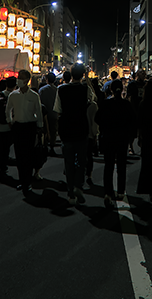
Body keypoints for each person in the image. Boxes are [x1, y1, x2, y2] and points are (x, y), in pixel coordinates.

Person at [54, 63, 97, 205]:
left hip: (66, 129)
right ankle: (79, 185)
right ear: (83, 74)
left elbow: (58, 110)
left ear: (70, 74)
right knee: (82, 161)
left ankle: (71, 193)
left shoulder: (61, 89)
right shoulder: (86, 89)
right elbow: (92, 101)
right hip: (81, 128)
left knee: (69, 162)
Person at [95, 79, 137, 207]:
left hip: (108, 137)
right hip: (122, 138)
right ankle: (120, 191)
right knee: (121, 165)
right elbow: (132, 121)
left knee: (108, 166)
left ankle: (107, 193)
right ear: (122, 89)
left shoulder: (105, 104)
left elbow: (97, 119)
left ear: (110, 89)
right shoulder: (126, 104)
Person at [5, 69, 43, 196]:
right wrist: (9, 121)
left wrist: (40, 127)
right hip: (18, 127)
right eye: (18, 78)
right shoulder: (13, 95)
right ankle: (23, 180)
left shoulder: (34, 95)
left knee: (29, 155)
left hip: (30, 127)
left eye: (21, 78)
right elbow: (8, 109)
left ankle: (28, 180)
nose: (19, 80)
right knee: (19, 155)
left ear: (27, 80)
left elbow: (39, 112)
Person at [0, 78, 16, 177]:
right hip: (9, 127)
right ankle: (4, 165)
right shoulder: (15, 96)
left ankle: (1, 167)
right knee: (6, 148)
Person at [126, 70, 147, 155]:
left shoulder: (146, 84)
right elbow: (129, 96)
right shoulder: (132, 84)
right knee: (133, 131)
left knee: (143, 130)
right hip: (134, 108)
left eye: (144, 74)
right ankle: (130, 146)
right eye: (141, 73)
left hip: (143, 109)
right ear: (137, 74)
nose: (143, 75)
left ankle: (142, 147)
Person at [39, 73, 60, 156]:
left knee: (44, 131)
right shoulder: (57, 90)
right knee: (53, 131)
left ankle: (45, 146)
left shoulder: (42, 90)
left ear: (47, 80)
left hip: (44, 114)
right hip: (54, 113)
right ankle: (51, 146)